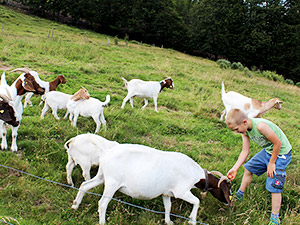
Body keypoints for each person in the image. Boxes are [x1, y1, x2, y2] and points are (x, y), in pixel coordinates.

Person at [225, 109, 292, 225]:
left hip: (282, 153)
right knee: (248, 168)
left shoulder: (260, 126)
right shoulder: (244, 131)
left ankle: (275, 218)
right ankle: (240, 195)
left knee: (274, 182)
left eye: (236, 129)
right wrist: (235, 168)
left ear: (244, 122)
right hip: (268, 151)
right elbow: (245, 151)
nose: (237, 132)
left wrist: (272, 163)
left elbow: (278, 143)